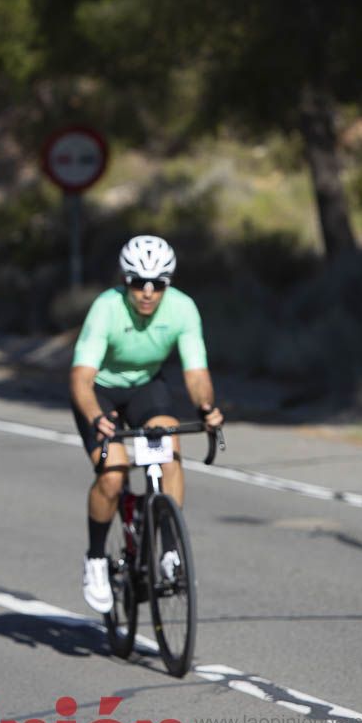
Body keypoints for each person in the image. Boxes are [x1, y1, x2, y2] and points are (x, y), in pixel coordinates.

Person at [69, 235, 224, 613]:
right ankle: (95, 560)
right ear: (126, 280)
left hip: (146, 389)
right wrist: (96, 418)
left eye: (158, 284)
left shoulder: (183, 309)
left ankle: (170, 549)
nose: (148, 292)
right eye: (139, 282)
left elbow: (196, 371)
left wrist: (206, 407)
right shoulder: (106, 309)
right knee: (113, 473)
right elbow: (80, 379)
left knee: (169, 450)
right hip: (101, 391)